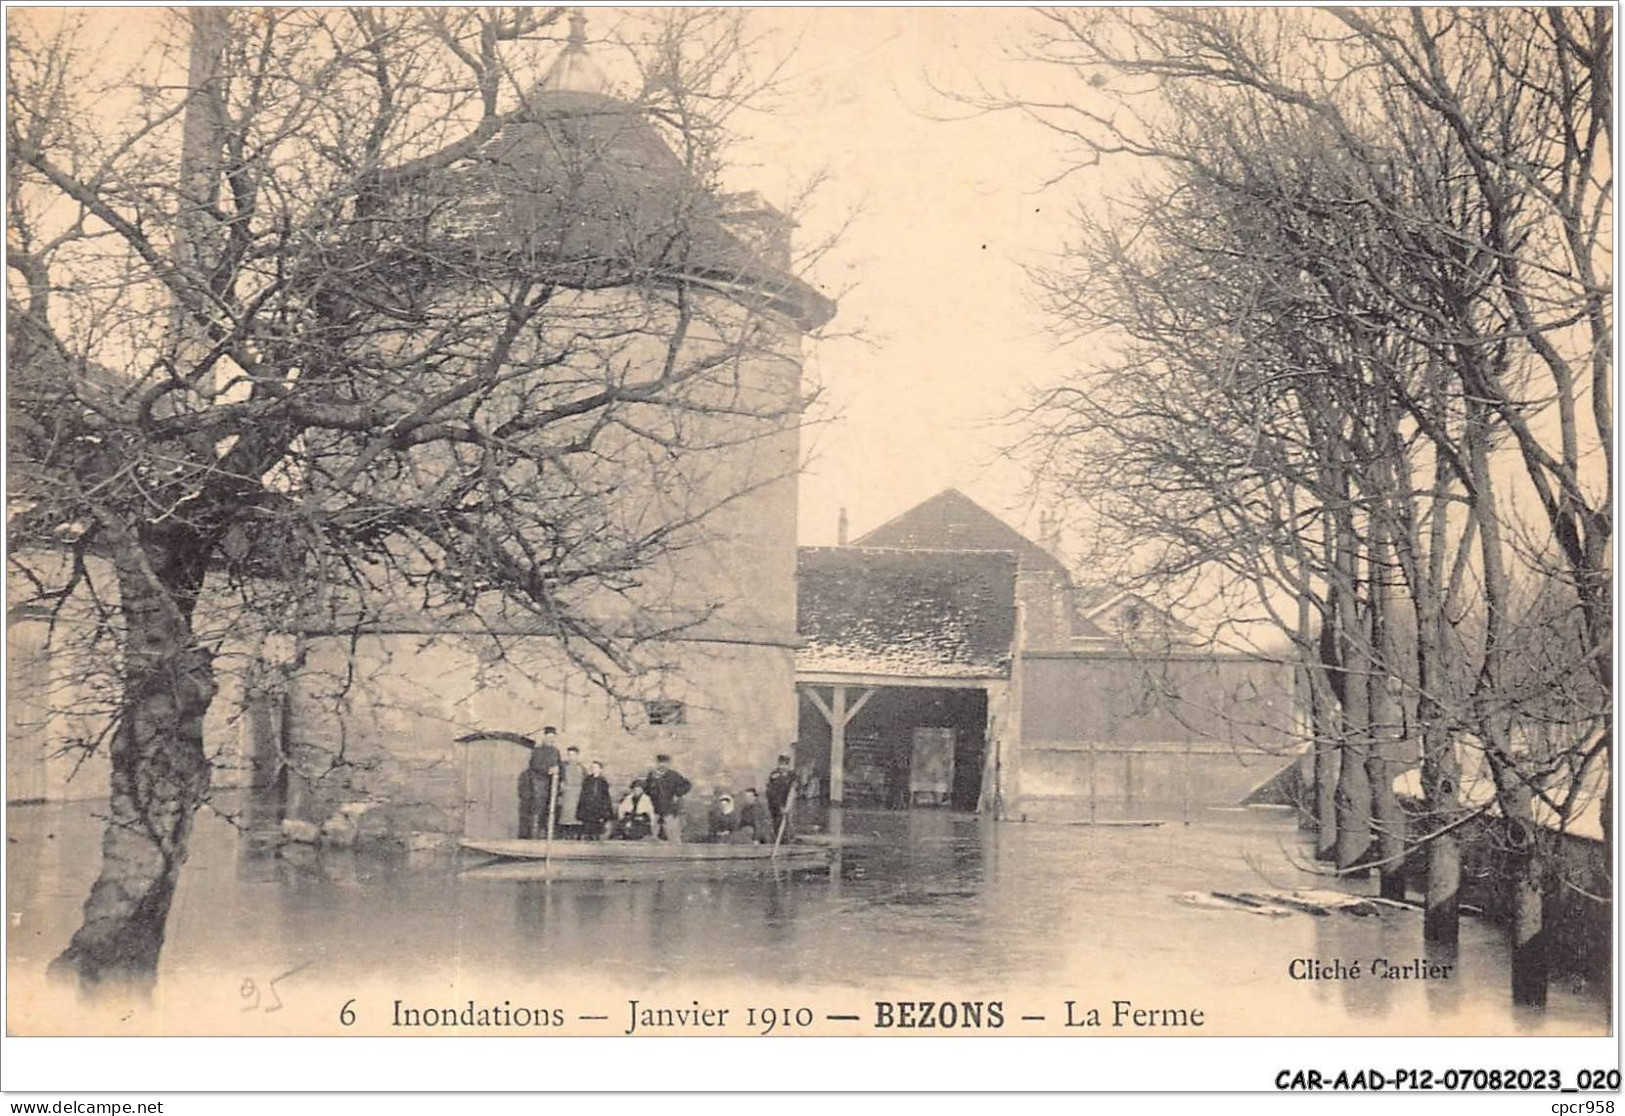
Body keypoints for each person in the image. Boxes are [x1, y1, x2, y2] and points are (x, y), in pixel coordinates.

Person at [518, 729, 562, 840]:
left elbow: (559, 766)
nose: (550, 740)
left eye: (552, 737)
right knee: (538, 809)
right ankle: (534, 836)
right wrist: (548, 771)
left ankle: (548, 836)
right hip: (539, 784)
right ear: (544, 737)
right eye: (548, 737)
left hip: (552, 785)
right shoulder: (537, 751)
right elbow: (535, 765)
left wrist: (562, 779)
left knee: (551, 810)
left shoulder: (555, 751)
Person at [644, 753, 692, 843]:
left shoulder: (673, 775)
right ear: (657, 764)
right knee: (654, 835)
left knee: (673, 834)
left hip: (669, 808)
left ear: (668, 764)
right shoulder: (652, 776)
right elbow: (647, 789)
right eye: (660, 763)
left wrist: (677, 794)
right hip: (655, 809)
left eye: (665, 763)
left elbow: (687, 785)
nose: (662, 765)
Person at [576, 760, 615, 839]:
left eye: (596, 767)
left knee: (597, 822)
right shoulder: (588, 780)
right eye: (593, 767)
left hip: (598, 805)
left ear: (600, 769)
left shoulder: (603, 781)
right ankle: (588, 835)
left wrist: (606, 808)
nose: (594, 769)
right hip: (588, 805)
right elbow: (584, 793)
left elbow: (605, 795)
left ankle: (596, 836)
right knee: (587, 822)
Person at [556, 744, 585, 837]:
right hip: (567, 795)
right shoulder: (563, 767)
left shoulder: (581, 768)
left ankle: (576, 835)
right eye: (569, 755)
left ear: (577, 756)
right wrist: (561, 788)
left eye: (573, 755)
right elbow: (559, 780)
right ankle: (565, 835)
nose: (571, 758)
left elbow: (585, 781)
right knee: (566, 816)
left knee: (576, 816)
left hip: (578, 795)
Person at [765, 752, 796, 837]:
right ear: (779, 764)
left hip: (787, 802)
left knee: (787, 821)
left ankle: (788, 837)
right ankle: (777, 837)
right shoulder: (774, 775)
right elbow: (772, 793)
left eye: (785, 765)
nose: (783, 767)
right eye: (781, 765)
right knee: (777, 820)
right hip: (775, 803)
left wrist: (788, 805)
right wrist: (780, 806)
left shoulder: (791, 775)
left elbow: (792, 789)